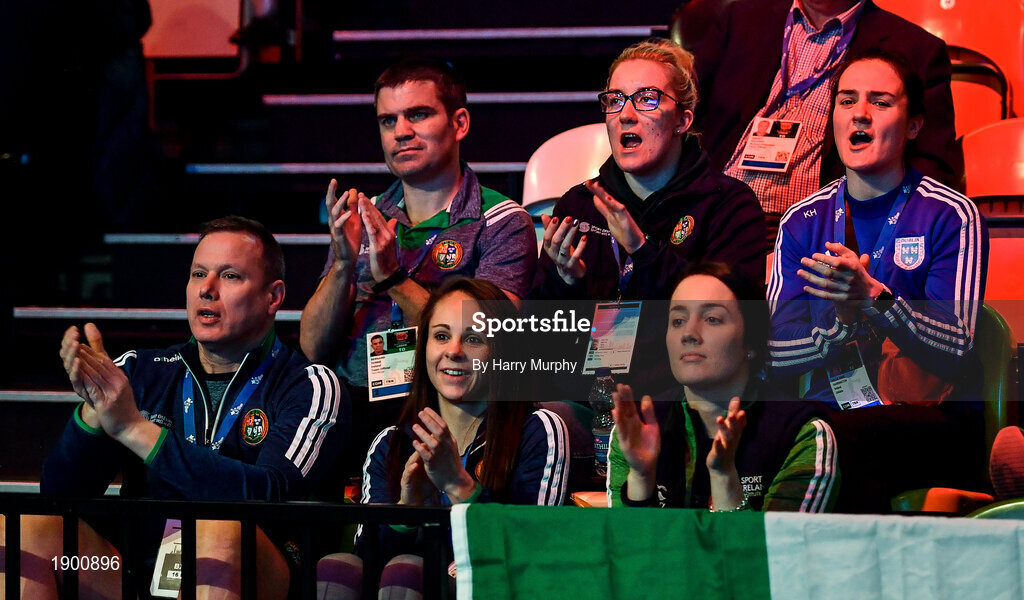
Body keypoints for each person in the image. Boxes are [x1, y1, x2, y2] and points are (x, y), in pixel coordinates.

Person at [13, 217, 348, 599]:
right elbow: (59, 492)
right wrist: (93, 415)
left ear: (273, 297)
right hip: (130, 570)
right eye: (198, 274)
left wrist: (135, 429)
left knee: (220, 528)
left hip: (260, 573)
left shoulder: (307, 385)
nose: (206, 290)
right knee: (30, 531)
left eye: (231, 276)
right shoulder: (138, 372)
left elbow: (269, 492)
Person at [767, 49, 988, 512]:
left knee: (836, 442)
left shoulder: (951, 215)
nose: (860, 114)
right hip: (829, 416)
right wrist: (839, 328)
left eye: (881, 101)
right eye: (846, 101)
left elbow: (958, 348)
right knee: (754, 425)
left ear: (913, 126)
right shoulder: (801, 222)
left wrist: (875, 299)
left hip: (932, 420)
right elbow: (774, 352)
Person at [300, 58, 537, 471]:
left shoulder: (501, 220)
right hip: (355, 406)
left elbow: (493, 339)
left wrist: (393, 277)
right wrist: (342, 264)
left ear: (459, 123)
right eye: (388, 121)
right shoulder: (366, 216)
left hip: (449, 413)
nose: (401, 132)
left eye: (418, 114)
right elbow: (313, 346)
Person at [529, 38, 765, 406]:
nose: (626, 114)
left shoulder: (728, 205)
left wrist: (643, 250)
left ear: (683, 120)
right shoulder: (579, 204)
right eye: (615, 100)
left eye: (647, 99)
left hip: (682, 403)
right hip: (585, 401)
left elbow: (729, 328)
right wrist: (565, 284)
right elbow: (540, 336)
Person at [317, 277, 569, 599]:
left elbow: (534, 553)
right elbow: (367, 564)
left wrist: (459, 486)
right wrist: (407, 511)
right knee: (344, 567)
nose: (454, 351)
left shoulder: (539, 431)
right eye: (441, 336)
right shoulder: (390, 443)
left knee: (414, 570)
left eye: (474, 338)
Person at [692, 0, 961, 244]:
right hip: (713, 215)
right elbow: (686, 111)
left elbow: (931, 168)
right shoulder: (742, 18)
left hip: (813, 236)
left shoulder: (916, 49)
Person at [608, 262, 838, 511]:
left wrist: (723, 477)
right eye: (677, 320)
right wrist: (641, 477)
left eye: (712, 319)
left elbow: (779, 547)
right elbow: (627, 548)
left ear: (751, 341)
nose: (689, 333)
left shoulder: (802, 432)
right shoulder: (636, 429)